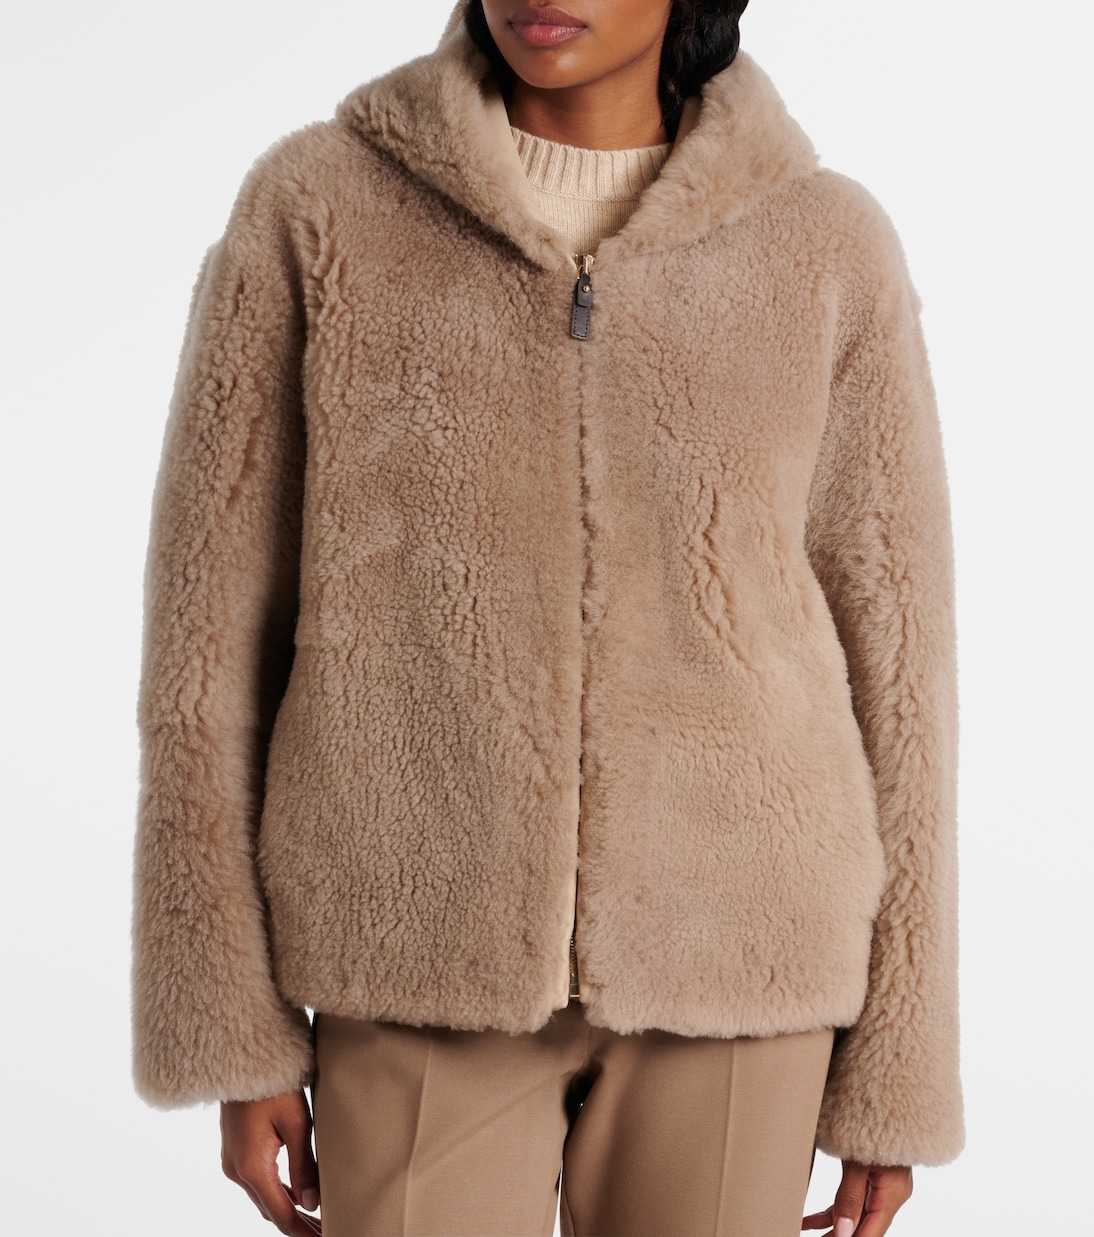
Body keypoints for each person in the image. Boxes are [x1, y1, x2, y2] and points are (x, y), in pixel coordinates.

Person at [130, 1, 965, 1234]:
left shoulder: (823, 241)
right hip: (408, 955)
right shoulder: (317, 207)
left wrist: (897, 1066)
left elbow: (900, 662)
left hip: (741, 958)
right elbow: (201, 650)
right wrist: (229, 1025)